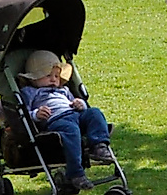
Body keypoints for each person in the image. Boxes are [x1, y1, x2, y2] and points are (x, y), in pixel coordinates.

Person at [18, 50, 116, 192]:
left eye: (56, 76)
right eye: (48, 75)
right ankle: (75, 174)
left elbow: (74, 101)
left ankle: (99, 146)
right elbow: (24, 111)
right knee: (71, 130)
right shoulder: (30, 91)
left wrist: (80, 104)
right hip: (56, 120)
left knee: (94, 113)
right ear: (33, 79)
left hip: (75, 114)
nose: (53, 80)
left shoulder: (63, 90)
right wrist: (36, 114)